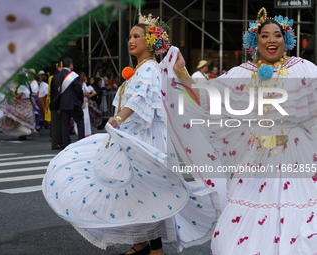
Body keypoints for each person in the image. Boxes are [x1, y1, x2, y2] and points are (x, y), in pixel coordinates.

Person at [42, 13, 220, 255]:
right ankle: (141, 242)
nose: (131, 40)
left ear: (150, 42)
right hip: (137, 134)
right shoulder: (143, 69)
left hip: (145, 136)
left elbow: (139, 100)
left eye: (137, 36)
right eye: (129, 36)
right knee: (135, 190)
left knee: (145, 190)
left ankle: (155, 248)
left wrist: (118, 118)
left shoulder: (148, 69)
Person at [169, 7, 317, 254]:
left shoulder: (303, 68)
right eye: (265, 35)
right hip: (258, 156)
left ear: (286, 39)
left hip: (297, 153)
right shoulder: (242, 74)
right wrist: (182, 73)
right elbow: (208, 97)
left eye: (277, 35)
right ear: (255, 41)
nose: (272, 40)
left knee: (301, 209)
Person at [0, 70, 38, 139]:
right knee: (24, 119)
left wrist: (10, 93)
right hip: (27, 105)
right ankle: (23, 134)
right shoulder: (27, 85)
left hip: (22, 105)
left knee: (20, 118)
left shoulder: (21, 87)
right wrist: (32, 103)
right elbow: (29, 96)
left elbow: (17, 97)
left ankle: (23, 133)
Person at [54, 57, 85, 147]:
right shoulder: (73, 75)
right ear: (70, 65)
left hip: (63, 104)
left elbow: (56, 92)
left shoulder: (57, 76)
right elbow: (78, 89)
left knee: (65, 124)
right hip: (74, 102)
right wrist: (81, 100)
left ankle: (66, 143)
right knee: (79, 122)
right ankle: (81, 142)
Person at [49, 61, 64, 150]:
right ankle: (55, 143)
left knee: (59, 125)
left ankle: (59, 142)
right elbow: (55, 93)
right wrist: (57, 106)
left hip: (57, 104)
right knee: (56, 126)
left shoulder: (57, 77)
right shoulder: (55, 78)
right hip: (55, 105)